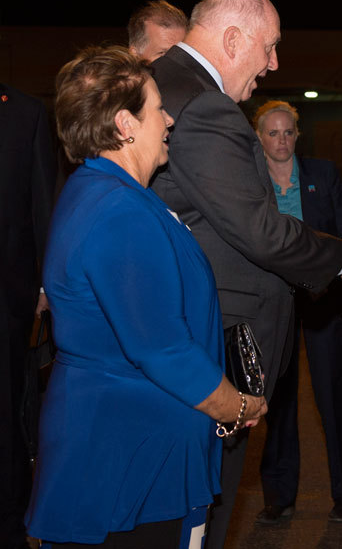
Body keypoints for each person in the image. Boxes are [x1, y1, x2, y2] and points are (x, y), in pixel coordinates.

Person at [149, 0, 342, 549]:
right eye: (269, 46)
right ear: (233, 38)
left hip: (180, 340)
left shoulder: (167, 85)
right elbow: (257, 230)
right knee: (199, 512)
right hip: (212, 349)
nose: (274, 63)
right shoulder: (204, 105)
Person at [24, 46, 267, 548]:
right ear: (123, 124)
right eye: (157, 107)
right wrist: (236, 406)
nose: (170, 119)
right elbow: (161, 349)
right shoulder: (120, 211)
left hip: (121, 445)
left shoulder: (102, 191)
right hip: (128, 459)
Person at [252, 101, 342, 525]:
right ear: (259, 137)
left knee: (331, 399)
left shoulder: (322, 174)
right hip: (272, 301)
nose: (281, 141)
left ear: (298, 135)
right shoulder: (250, 181)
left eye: (288, 132)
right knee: (278, 401)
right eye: (272, 133)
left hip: (323, 299)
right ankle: (279, 495)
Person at [0, 84, 56, 549]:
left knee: (7, 411)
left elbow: (41, 200)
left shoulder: (25, 112)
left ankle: (10, 523)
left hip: (7, 298)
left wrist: (41, 285)